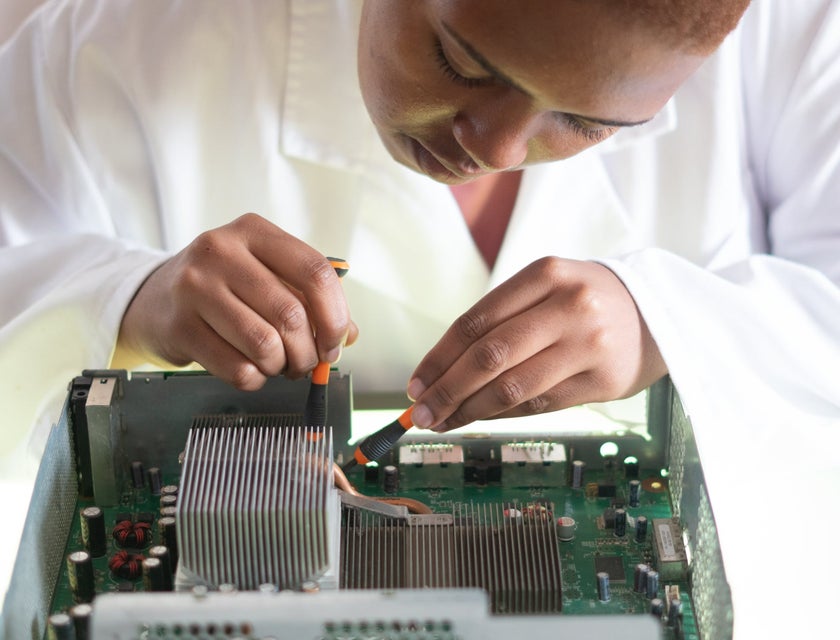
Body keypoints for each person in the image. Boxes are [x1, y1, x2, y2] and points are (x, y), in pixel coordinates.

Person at [0, 0, 838, 636]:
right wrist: (128, 299)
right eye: (462, 62)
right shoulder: (115, 48)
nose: (496, 147)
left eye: (591, 123)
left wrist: (667, 320)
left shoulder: (791, 31)